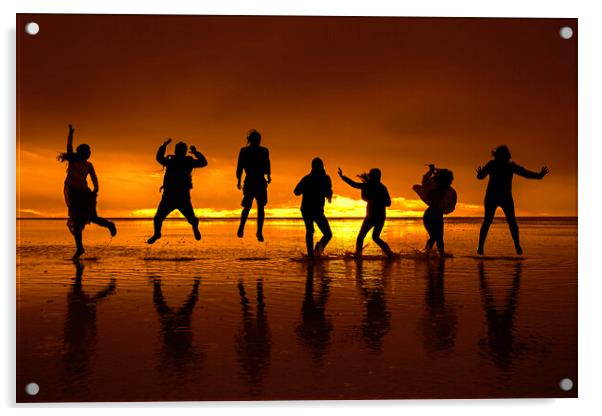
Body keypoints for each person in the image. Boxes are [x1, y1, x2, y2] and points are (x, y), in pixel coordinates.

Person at [476, 145, 549, 255]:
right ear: (498, 156)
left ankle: (517, 245)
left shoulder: (509, 166)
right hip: (493, 196)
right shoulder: (493, 164)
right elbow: (481, 177)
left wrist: (538, 176)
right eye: (502, 155)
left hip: (504, 197)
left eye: (505, 155)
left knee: (510, 222)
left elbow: (525, 173)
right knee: (489, 221)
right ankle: (480, 247)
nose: (504, 157)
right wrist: (480, 173)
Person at [58, 124, 116, 259]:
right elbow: (69, 147)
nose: (89, 154)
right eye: (87, 151)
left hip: (84, 194)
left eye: (89, 152)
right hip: (73, 193)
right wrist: (71, 133)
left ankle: (109, 225)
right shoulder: (73, 161)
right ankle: (80, 248)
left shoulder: (89, 165)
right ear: (82, 153)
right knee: (76, 222)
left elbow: (94, 178)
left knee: (91, 218)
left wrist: (96, 189)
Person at [147, 138, 207, 244]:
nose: (178, 152)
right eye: (177, 150)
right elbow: (159, 158)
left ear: (183, 151)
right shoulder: (173, 161)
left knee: (192, 219)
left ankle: (194, 227)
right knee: (158, 218)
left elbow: (203, 163)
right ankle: (157, 234)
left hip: (181, 197)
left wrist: (196, 153)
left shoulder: (186, 161)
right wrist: (163, 146)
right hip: (170, 196)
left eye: (180, 150)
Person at [338, 167, 393, 257]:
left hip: (379, 216)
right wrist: (343, 177)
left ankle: (389, 254)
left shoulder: (382, 188)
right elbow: (354, 184)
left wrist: (377, 201)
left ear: (378, 177)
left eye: (373, 176)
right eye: (371, 176)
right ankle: (358, 255)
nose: (371, 177)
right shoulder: (367, 185)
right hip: (371, 216)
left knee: (374, 237)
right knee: (362, 237)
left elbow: (389, 203)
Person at [412, 164, 457, 256]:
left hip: (439, 216)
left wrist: (445, 208)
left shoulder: (451, 192)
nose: (450, 182)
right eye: (449, 180)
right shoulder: (432, 187)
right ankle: (426, 254)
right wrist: (431, 171)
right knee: (434, 237)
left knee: (439, 238)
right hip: (429, 215)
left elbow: (451, 206)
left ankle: (440, 257)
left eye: (450, 180)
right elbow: (425, 180)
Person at [294, 158, 333, 258]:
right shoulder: (308, 179)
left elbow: (328, 193)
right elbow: (296, 191)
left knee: (327, 234)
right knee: (311, 230)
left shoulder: (324, 178)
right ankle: (311, 254)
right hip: (307, 209)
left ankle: (318, 248)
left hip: (317, 210)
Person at [236, 129, 271, 242]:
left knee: (254, 207)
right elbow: (240, 166)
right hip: (254, 180)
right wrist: (239, 179)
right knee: (253, 207)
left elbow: (267, 164)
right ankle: (248, 229)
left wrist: (268, 175)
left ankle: (256, 231)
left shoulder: (261, 151)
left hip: (255, 181)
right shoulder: (248, 151)